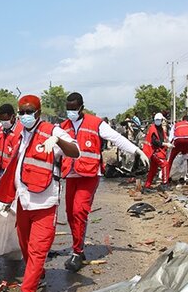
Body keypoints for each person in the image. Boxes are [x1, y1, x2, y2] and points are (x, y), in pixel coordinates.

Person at [0, 95, 79, 292]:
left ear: (38, 113)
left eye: (28, 112)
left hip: (45, 203)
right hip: (23, 202)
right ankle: (37, 274)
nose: (24, 116)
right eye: (21, 112)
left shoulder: (52, 131)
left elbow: (75, 151)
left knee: (38, 250)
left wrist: (57, 141)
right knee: (26, 248)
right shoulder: (21, 134)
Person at [60, 92, 149, 272]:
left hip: (89, 174)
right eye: (68, 109)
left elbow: (116, 138)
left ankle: (77, 252)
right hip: (70, 174)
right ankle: (79, 247)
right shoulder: (63, 126)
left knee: (79, 211)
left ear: (81, 107)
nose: (71, 112)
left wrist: (137, 151)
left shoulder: (95, 123)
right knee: (70, 213)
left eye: (74, 109)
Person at [142, 113, 171, 191]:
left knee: (153, 170)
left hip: (156, 151)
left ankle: (147, 186)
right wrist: (165, 144)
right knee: (165, 164)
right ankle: (165, 184)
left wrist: (167, 143)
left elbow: (163, 139)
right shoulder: (153, 128)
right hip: (154, 152)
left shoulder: (159, 129)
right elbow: (154, 142)